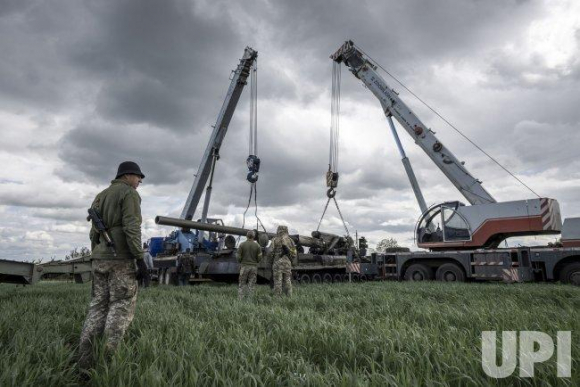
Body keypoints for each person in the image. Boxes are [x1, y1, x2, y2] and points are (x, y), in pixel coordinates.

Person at [78, 161, 148, 371]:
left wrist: (96, 253)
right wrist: (140, 257)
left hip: (100, 257)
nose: (140, 181)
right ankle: (108, 365)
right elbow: (131, 226)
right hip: (121, 258)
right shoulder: (129, 194)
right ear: (128, 176)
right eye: (138, 177)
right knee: (120, 307)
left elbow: (93, 232)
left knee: (98, 306)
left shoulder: (101, 195)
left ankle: (85, 362)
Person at [269, 225, 297, 297]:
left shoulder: (274, 240)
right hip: (287, 263)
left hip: (277, 263)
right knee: (287, 280)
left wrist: (271, 261)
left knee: (278, 281)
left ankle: (277, 298)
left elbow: (270, 252)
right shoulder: (290, 240)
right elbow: (294, 253)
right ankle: (289, 297)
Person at [237, 230, 263, 299]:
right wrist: (256, 262)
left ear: (246, 236)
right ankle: (250, 299)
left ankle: (240, 299)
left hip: (244, 266)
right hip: (253, 267)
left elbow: (238, 256)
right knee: (251, 284)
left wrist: (241, 261)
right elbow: (260, 257)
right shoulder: (257, 246)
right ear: (254, 237)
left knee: (242, 283)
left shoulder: (242, 244)